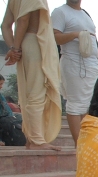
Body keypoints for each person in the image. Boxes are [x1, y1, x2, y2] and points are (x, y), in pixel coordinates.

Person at [1, 0, 62, 151]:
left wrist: (14, 48)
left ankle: (32, 139)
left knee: (31, 94)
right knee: (37, 93)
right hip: (35, 42)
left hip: (26, 44)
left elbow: (5, 25)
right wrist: (15, 48)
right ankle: (37, 140)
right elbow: (23, 19)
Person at [51, 0, 98, 147]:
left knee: (89, 104)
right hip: (73, 63)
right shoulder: (60, 12)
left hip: (91, 65)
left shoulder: (85, 14)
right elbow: (54, 37)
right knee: (75, 103)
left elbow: (94, 39)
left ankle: (87, 141)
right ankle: (78, 144)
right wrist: (76, 34)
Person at [0, 74, 26, 146]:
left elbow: (7, 110)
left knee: (20, 117)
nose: (1, 86)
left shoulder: (1, 96)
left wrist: (12, 117)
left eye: (2, 84)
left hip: (4, 116)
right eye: (0, 84)